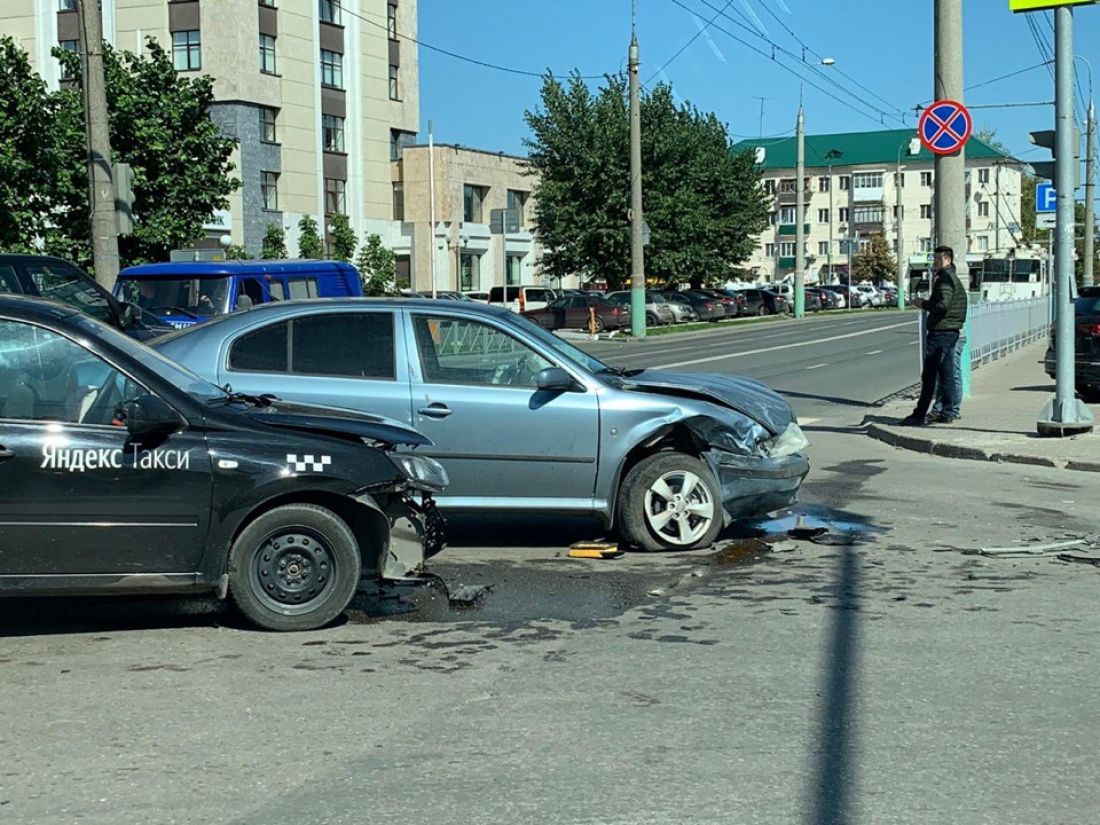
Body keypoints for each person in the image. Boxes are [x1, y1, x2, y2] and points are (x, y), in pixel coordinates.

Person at [900, 245, 968, 426]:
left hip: (942, 332)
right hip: (949, 330)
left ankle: (919, 414)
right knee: (946, 374)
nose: (936, 262)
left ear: (948, 260)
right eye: (935, 259)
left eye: (939, 259)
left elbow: (942, 304)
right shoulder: (951, 278)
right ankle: (948, 412)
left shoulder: (945, 279)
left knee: (930, 375)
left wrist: (924, 304)